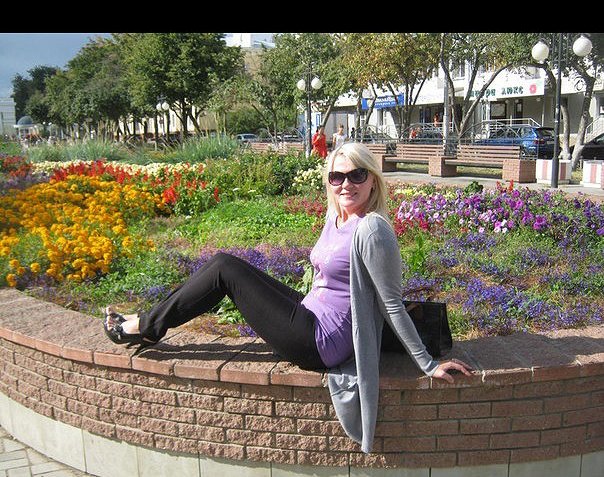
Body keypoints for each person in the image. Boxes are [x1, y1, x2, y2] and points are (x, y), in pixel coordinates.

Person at [103, 142, 472, 452]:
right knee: (223, 265)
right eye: (337, 177)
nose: (346, 184)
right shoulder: (337, 216)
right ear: (329, 182)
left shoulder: (373, 229)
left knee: (224, 269)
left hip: (320, 340)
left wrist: (428, 365)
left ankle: (145, 327)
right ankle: (148, 323)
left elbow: (391, 303)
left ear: (373, 180)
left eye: (357, 175)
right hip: (309, 313)